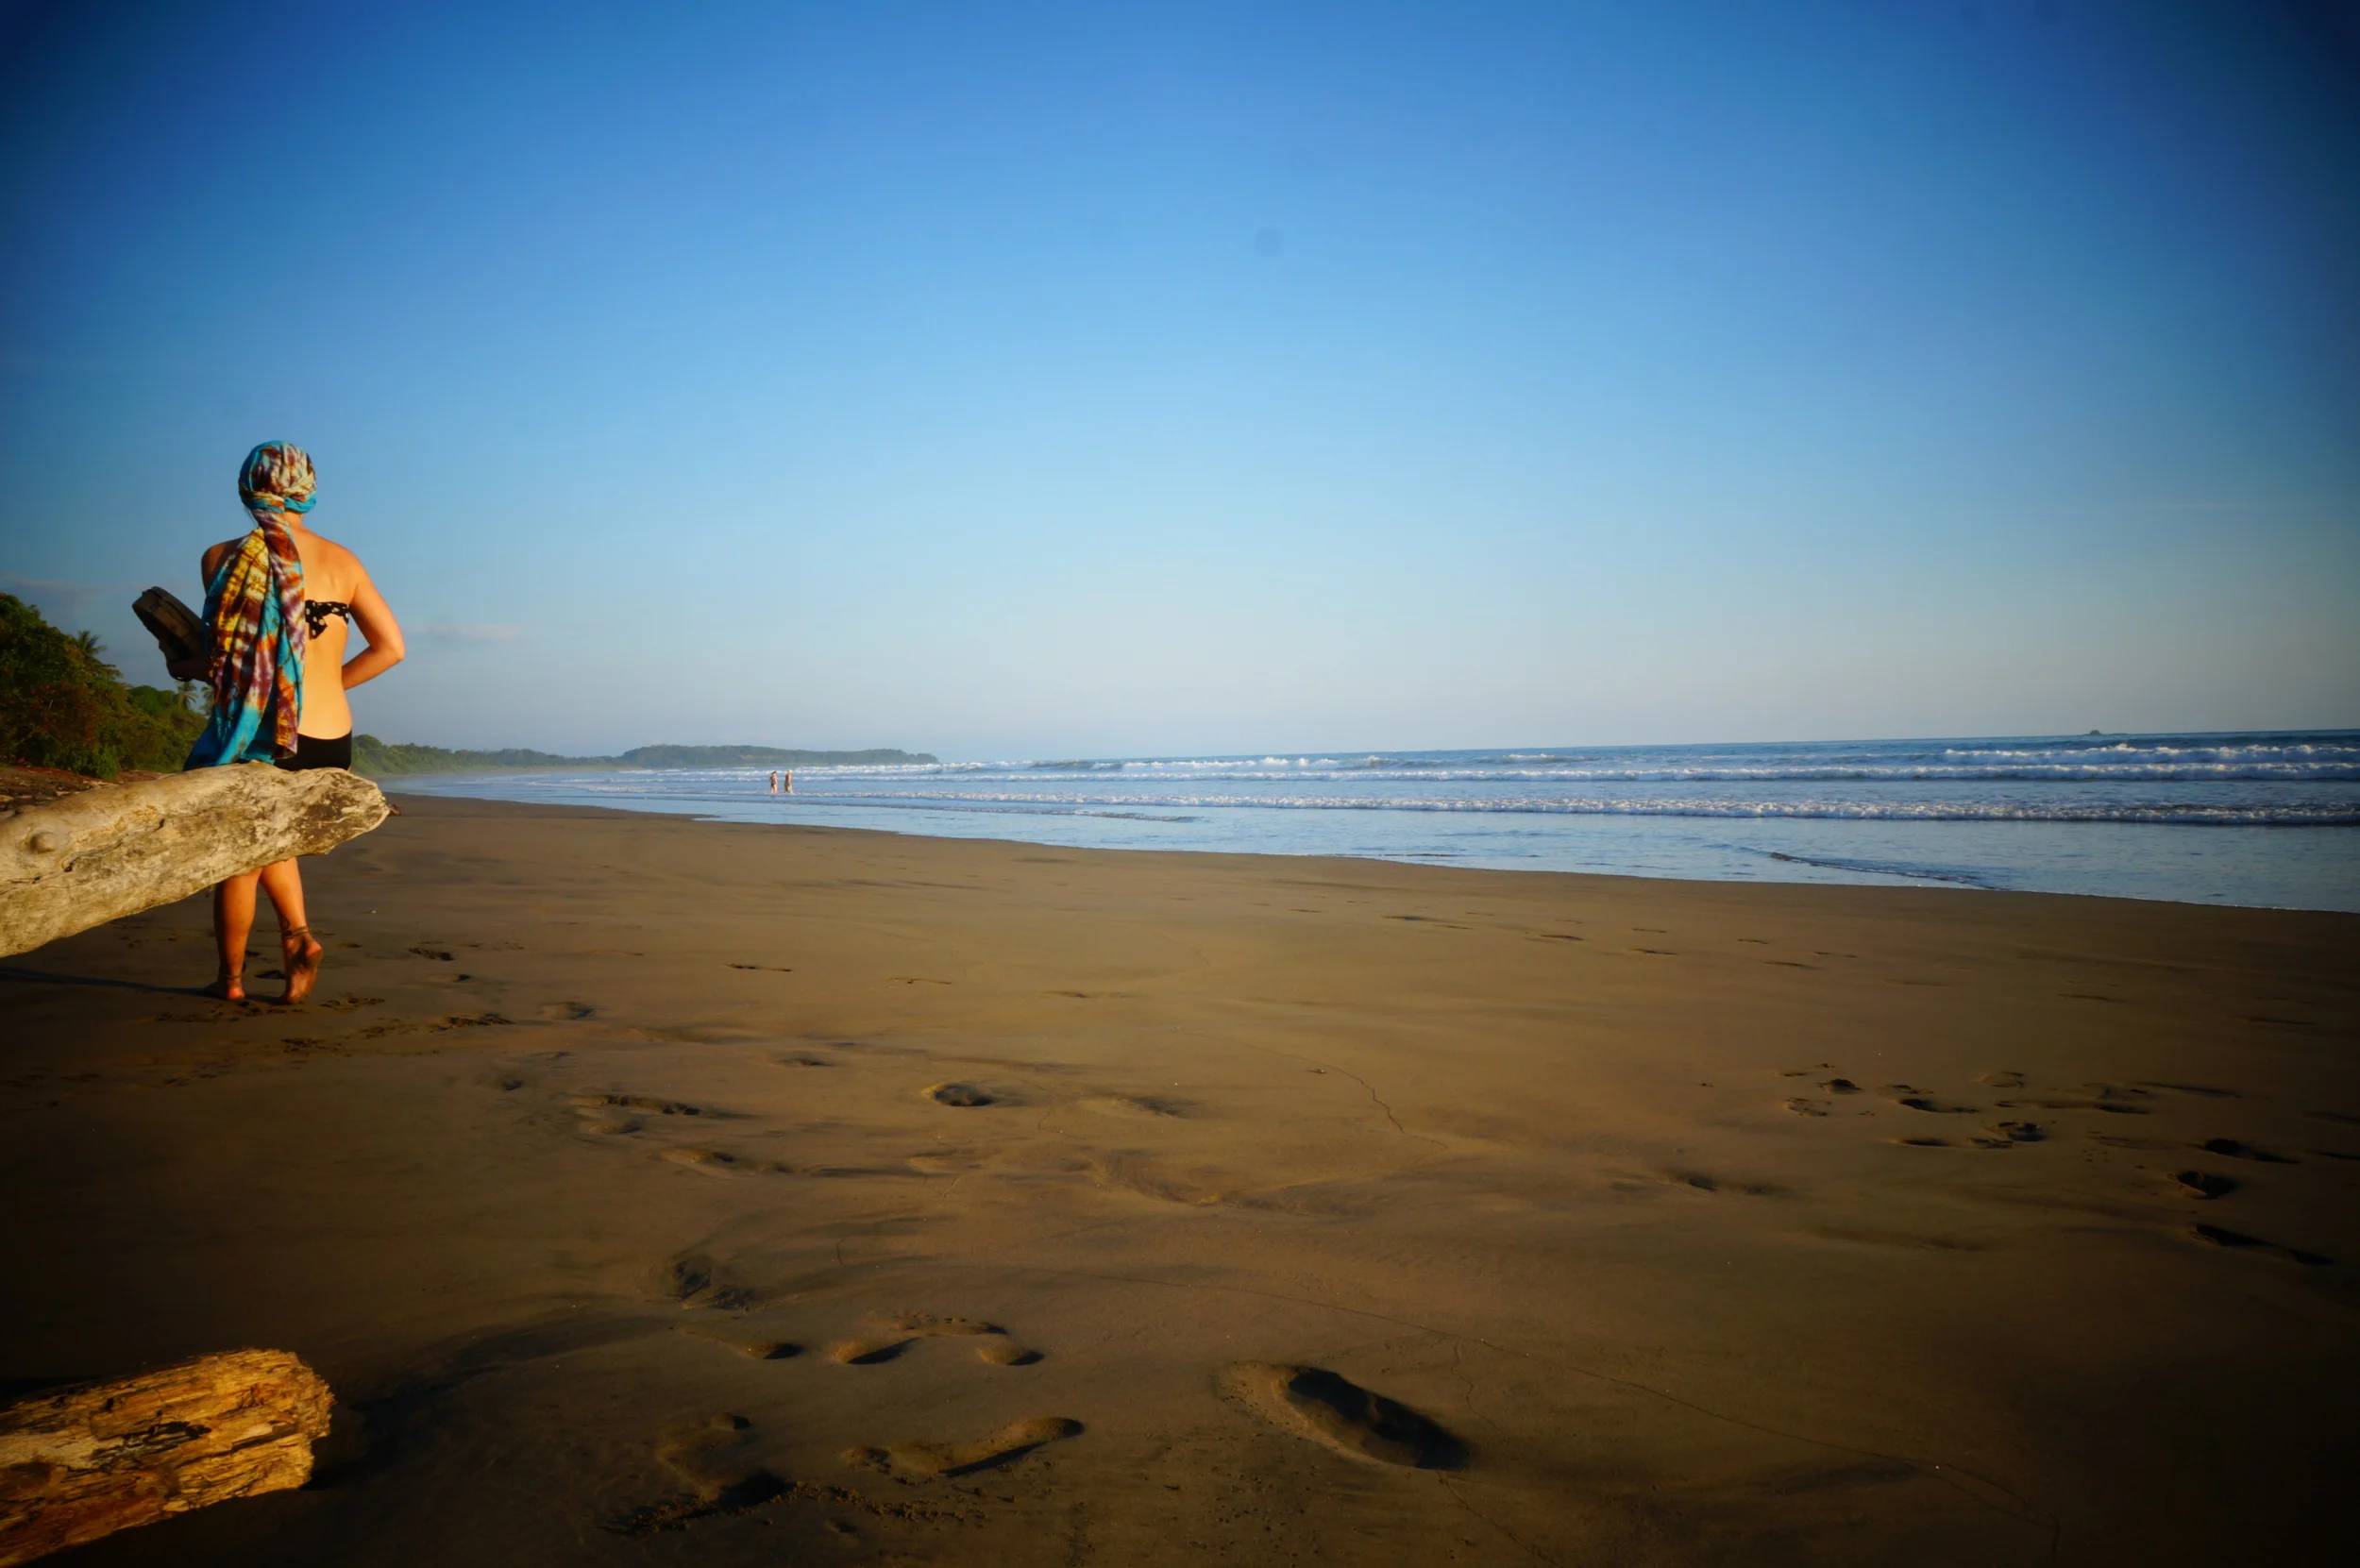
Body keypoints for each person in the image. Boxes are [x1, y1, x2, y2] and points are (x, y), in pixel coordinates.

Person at [189, 442, 404, 1003]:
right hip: (330, 738)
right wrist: (329, 683)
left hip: (264, 733)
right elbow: (391, 649)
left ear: (246, 488)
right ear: (308, 490)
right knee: (273, 842)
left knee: (240, 857)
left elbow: (218, 660)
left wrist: (178, 660)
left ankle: (231, 983)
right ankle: (298, 939)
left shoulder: (221, 558)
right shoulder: (343, 560)